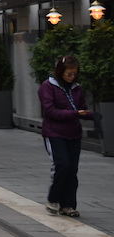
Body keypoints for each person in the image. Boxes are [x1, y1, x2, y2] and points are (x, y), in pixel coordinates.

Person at [38, 55, 93, 218]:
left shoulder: (76, 87)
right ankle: (53, 199)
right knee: (62, 164)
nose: (72, 76)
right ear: (60, 71)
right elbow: (50, 111)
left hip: (73, 133)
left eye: (74, 73)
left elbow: (81, 107)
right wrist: (74, 113)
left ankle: (68, 205)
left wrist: (89, 114)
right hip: (54, 132)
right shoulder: (48, 86)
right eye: (69, 73)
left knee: (72, 170)